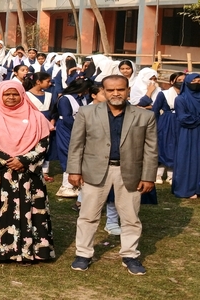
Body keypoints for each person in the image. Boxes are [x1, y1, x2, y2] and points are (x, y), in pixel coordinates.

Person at [67, 75, 157, 275]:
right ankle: (83, 253)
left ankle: (130, 254)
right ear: (103, 91)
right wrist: (74, 170)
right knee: (88, 215)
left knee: (131, 217)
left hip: (130, 172)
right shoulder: (87, 112)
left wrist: (148, 176)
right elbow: (76, 144)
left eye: (120, 89)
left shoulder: (144, 116)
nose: (116, 93)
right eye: (110, 90)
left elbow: (151, 150)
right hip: (95, 170)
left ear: (128, 90)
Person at [0, 80, 54, 264]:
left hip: (27, 175)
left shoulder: (36, 117)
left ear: (22, 94)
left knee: (27, 209)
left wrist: (22, 160)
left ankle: (27, 251)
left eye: (15, 94)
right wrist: (8, 161)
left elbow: (44, 143)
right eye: (7, 94)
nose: (11, 97)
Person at [172, 73, 200, 199]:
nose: (197, 83)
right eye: (194, 81)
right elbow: (183, 118)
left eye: (199, 81)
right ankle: (188, 189)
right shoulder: (181, 99)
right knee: (189, 159)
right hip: (189, 132)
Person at [53, 78, 92, 198]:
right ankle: (66, 186)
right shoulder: (65, 98)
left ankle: (75, 183)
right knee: (67, 152)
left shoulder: (83, 98)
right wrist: (78, 129)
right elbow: (66, 117)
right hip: (66, 128)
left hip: (78, 128)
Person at [151, 72, 184, 184]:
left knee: (177, 147)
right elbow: (155, 110)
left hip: (181, 122)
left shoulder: (187, 95)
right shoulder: (164, 94)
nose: (182, 82)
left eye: (184, 80)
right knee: (163, 146)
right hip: (166, 121)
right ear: (172, 81)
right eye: (179, 79)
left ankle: (171, 175)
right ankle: (158, 174)